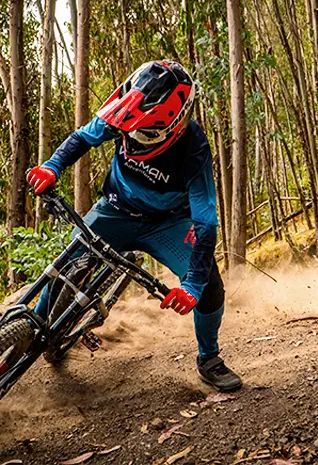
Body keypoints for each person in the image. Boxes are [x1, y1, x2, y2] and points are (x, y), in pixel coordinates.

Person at [27, 60, 242, 392]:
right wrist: (52, 167)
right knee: (66, 264)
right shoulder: (125, 113)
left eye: (145, 133)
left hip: (167, 225)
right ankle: (34, 326)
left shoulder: (194, 148)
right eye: (129, 131)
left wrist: (193, 286)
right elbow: (83, 137)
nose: (134, 139)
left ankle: (209, 358)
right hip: (114, 210)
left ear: (176, 124)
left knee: (210, 287)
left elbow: (205, 221)